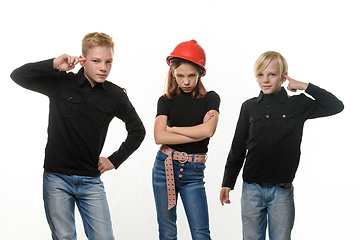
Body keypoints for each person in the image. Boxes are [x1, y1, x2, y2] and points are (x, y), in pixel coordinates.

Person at [10, 32, 146, 240]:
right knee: (64, 237)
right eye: (96, 61)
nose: (103, 68)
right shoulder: (61, 83)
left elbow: (138, 130)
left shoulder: (115, 95)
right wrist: (55, 64)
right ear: (83, 60)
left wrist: (114, 160)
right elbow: (18, 75)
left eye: (108, 62)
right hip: (56, 178)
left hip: (90, 180)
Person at [220, 51, 344, 240]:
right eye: (260, 74)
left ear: (284, 76)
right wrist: (228, 183)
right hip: (252, 189)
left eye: (272, 74)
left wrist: (304, 86)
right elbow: (237, 147)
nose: (266, 80)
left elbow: (335, 105)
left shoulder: (297, 105)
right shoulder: (249, 107)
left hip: (281, 191)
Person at [152, 40, 220, 240]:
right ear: (173, 73)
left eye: (192, 76)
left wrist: (172, 130)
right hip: (164, 168)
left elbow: (208, 131)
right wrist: (195, 130)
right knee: (167, 232)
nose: (186, 82)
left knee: (200, 233)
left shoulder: (211, 98)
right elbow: (159, 136)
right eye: (180, 76)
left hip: (193, 172)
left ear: (200, 73)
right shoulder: (165, 101)